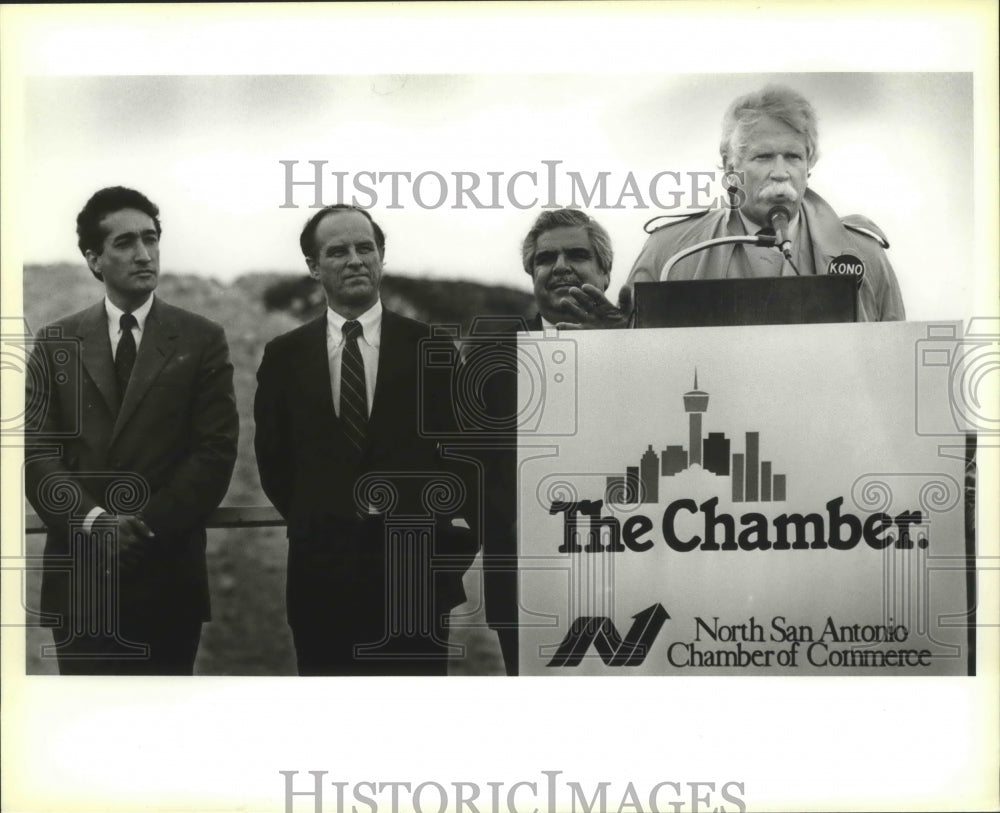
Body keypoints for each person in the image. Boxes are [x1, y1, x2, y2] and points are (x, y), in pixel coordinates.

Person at [253, 204, 477, 676]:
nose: (354, 259)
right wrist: (325, 522)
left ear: (381, 256)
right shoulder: (283, 357)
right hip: (321, 588)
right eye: (337, 251)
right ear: (314, 267)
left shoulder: (432, 349)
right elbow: (274, 465)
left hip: (414, 589)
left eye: (365, 247)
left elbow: (469, 464)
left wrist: (444, 560)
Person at [24, 186, 239, 675]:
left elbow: (214, 453)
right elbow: (37, 458)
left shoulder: (202, 338)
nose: (144, 254)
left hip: (165, 579)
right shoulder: (56, 341)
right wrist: (98, 524)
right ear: (94, 259)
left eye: (151, 238)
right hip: (82, 586)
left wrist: (142, 530)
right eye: (124, 243)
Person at [477, 208, 620, 675]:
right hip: (527, 586)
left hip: (628, 576)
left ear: (604, 269)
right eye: (545, 258)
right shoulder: (491, 360)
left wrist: (617, 348)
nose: (559, 266)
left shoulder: (644, 346)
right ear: (531, 273)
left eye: (576, 255)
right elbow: (471, 470)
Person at [626, 84, 905, 322]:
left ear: (809, 165)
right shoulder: (671, 253)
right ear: (730, 168)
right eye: (764, 157)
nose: (781, 172)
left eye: (793, 156)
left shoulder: (863, 254)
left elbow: (896, 362)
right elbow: (628, 356)